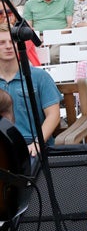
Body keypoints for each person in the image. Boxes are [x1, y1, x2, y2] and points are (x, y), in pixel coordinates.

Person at [0, 26, 61, 155]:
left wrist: (38, 143)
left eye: (12, 42)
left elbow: (54, 115)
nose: (8, 46)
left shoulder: (39, 77)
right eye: (2, 42)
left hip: (32, 145)